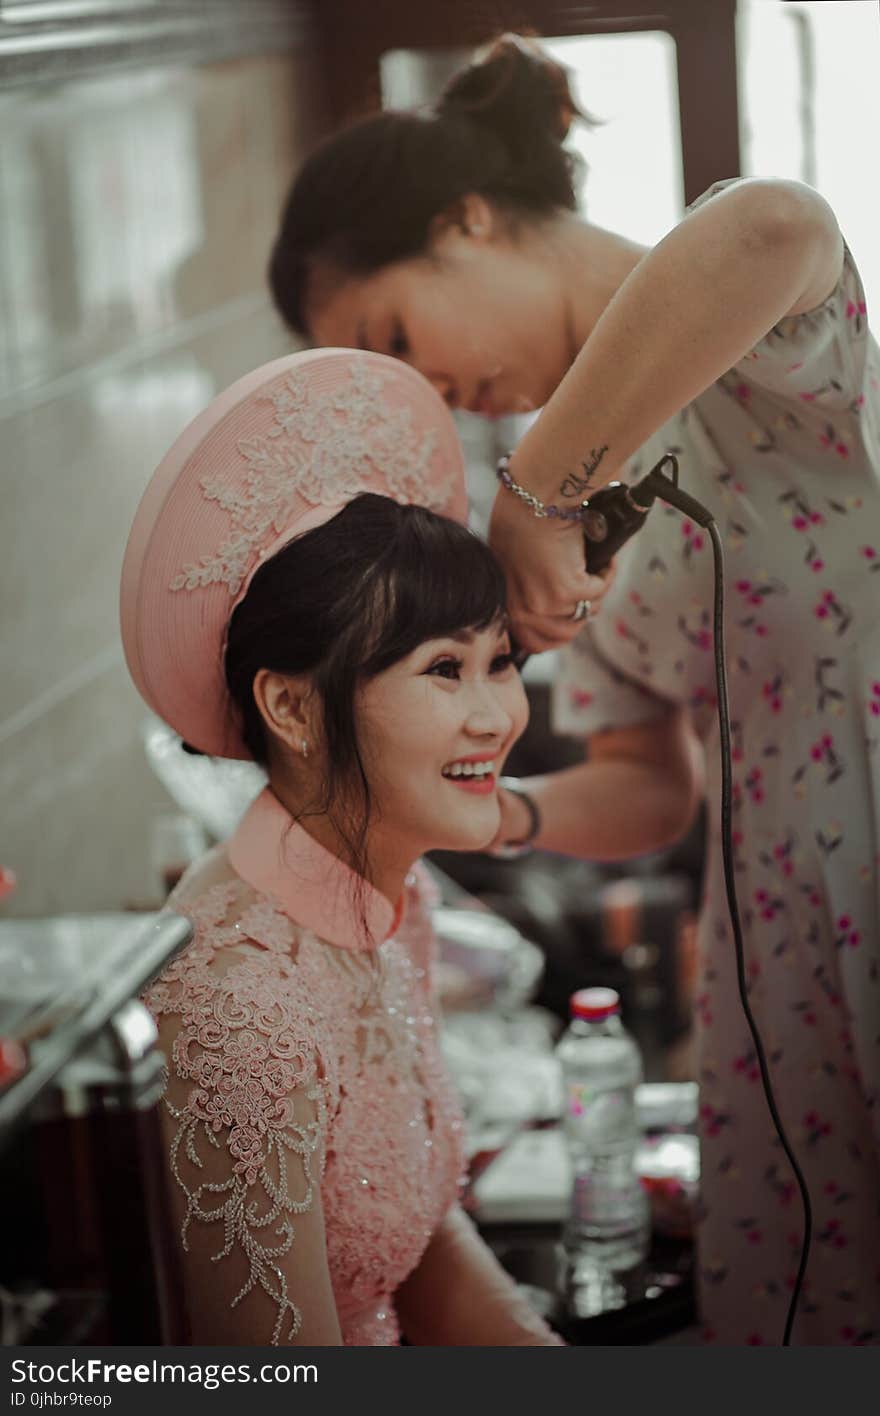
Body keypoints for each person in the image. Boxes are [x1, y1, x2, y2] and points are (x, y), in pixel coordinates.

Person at [268, 35, 880, 1344]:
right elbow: (653, 783)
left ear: (468, 221)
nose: (437, 391)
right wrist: (497, 819)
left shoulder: (729, 306)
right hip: (784, 948)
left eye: (397, 336)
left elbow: (782, 223)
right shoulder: (578, 525)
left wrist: (536, 484)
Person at [119, 348, 565, 1347]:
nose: (497, 714)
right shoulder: (240, 999)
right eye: (444, 669)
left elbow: (409, 1236)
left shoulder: (384, 890)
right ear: (290, 706)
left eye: (500, 663)